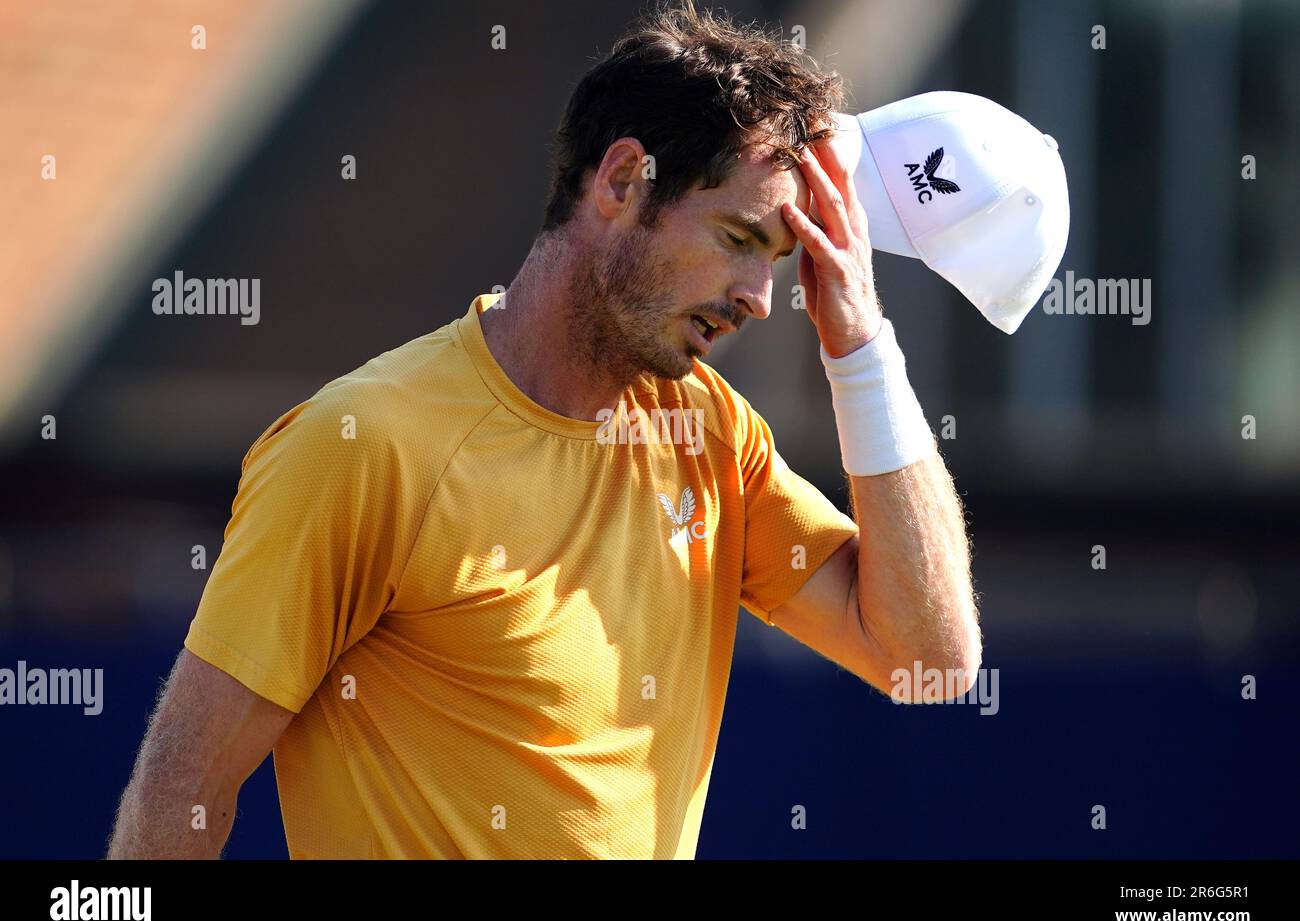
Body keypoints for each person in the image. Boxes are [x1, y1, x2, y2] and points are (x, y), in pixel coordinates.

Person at [107, 0, 980, 860]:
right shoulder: (363, 445)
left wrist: (864, 351)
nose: (759, 296)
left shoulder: (712, 437)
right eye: (738, 237)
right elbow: (184, 790)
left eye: (777, 261)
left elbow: (929, 658)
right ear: (621, 180)